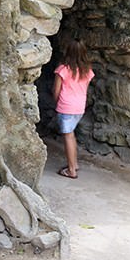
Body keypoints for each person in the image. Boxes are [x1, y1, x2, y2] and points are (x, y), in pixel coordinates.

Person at [53, 39, 94, 179]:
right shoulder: (87, 71)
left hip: (66, 107)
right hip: (79, 108)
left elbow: (56, 91)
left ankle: (71, 170)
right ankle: (74, 164)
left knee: (68, 136)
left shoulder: (63, 70)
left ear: (67, 51)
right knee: (71, 134)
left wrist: (56, 103)